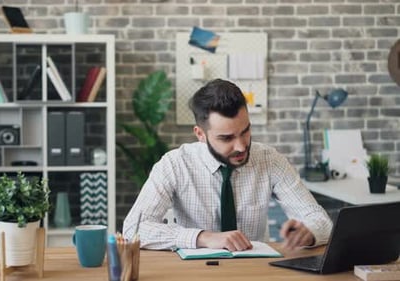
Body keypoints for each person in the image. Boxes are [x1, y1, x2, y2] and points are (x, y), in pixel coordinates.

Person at [123, 79, 333, 252]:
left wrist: (309, 232)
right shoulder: (175, 164)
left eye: (245, 131)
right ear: (200, 135)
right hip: (194, 272)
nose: (241, 146)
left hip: (253, 271)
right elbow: (133, 229)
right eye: (226, 138)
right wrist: (203, 238)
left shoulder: (270, 160)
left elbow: (320, 220)